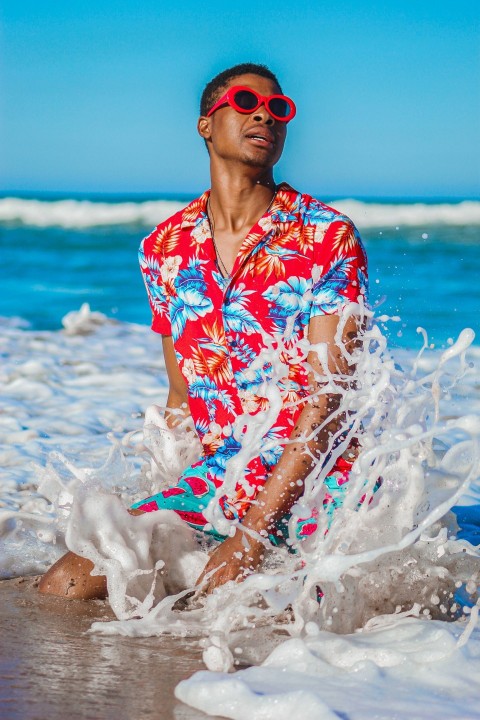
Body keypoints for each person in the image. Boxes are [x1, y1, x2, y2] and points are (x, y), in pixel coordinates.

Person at [39, 62, 368, 601]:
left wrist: (249, 537)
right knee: (67, 586)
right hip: (221, 478)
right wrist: (169, 495)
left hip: (321, 481)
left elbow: (326, 401)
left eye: (278, 108)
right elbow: (182, 397)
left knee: (284, 620)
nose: (264, 113)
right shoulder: (163, 249)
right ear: (205, 124)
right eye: (245, 101)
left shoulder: (326, 236)